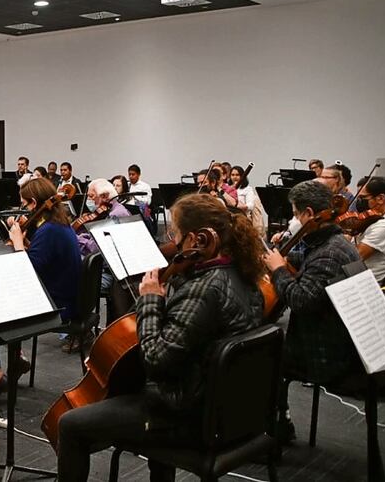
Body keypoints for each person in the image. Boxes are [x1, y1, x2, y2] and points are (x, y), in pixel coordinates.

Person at [55, 193, 263, 482]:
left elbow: (156, 359)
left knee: (70, 425)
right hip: (230, 410)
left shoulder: (204, 289)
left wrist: (151, 300)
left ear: (196, 239)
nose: (172, 242)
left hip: (185, 415)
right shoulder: (244, 274)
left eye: (175, 234)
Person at [262, 181, 362, 435]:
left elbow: (301, 301)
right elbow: (308, 261)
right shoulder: (334, 241)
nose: (293, 219)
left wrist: (279, 270)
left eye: (295, 213)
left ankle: (276, 428)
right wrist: (280, 258)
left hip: (326, 352)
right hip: (337, 336)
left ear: (308, 213)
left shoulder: (329, 253)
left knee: (259, 353)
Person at [0, 177, 82, 404]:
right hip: (63, 297)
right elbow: (43, 262)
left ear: (34, 203)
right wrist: (25, 244)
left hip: (56, 306)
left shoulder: (49, 231)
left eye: (24, 203)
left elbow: (25, 273)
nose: (23, 208)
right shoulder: (59, 225)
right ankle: (17, 357)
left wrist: (16, 243)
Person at [353, 177, 385, 284]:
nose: (359, 202)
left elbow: (355, 257)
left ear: (381, 198)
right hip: (358, 279)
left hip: (366, 285)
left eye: (363, 198)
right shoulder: (374, 219)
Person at [75, 178, 131, 257]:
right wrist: (83, 237)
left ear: (104, 196)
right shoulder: (110, 209)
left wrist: (74, 238)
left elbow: (94, 248)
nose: (89, 200)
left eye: (91, 196)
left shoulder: (115, 215)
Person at [229, 165, 266, 237]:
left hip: (243, 217)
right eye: (232, 175)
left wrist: (239, 206)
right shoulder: (227, 187)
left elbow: (250, 205)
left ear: (242, 176)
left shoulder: (247, 189)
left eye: (237, 175)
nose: (235, 177)